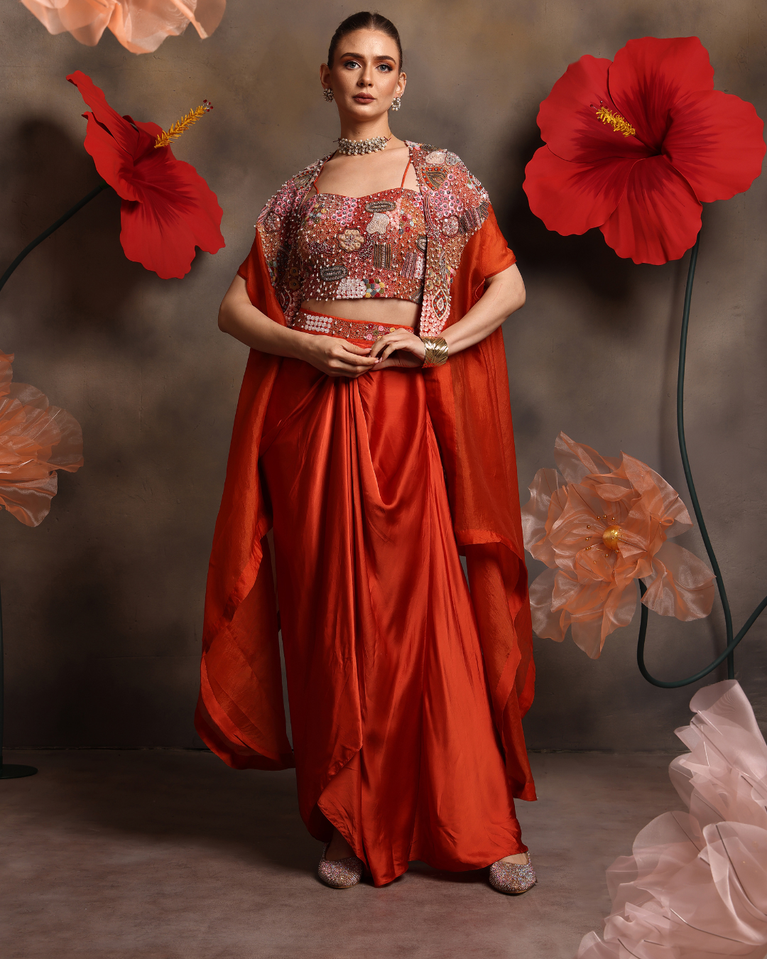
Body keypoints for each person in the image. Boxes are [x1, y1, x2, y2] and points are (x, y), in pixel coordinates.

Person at [195, 11, 537, 894]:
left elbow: (507, 284)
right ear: (326, 77)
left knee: (426, 614)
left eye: (382, 65)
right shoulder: (296, 194)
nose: (365, 77)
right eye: (350, 63)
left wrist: (438, 343)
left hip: (403, 410)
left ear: (400, 83)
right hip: (312, 419)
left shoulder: (440, 176)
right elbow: (234, 310)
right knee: (329, 617)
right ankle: (348, 821)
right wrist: (306, 347)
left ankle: (479, 824)